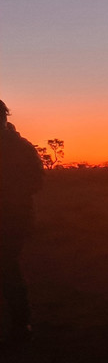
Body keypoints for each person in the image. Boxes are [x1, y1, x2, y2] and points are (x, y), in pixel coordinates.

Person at [0, 100, 45, 343]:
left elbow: (36, 181)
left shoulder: (21, 147)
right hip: (16, 215)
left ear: (4, 118)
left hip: (13, 218)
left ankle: (21, 323)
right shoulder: (21, 146)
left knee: (7, 266)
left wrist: (9, 194)